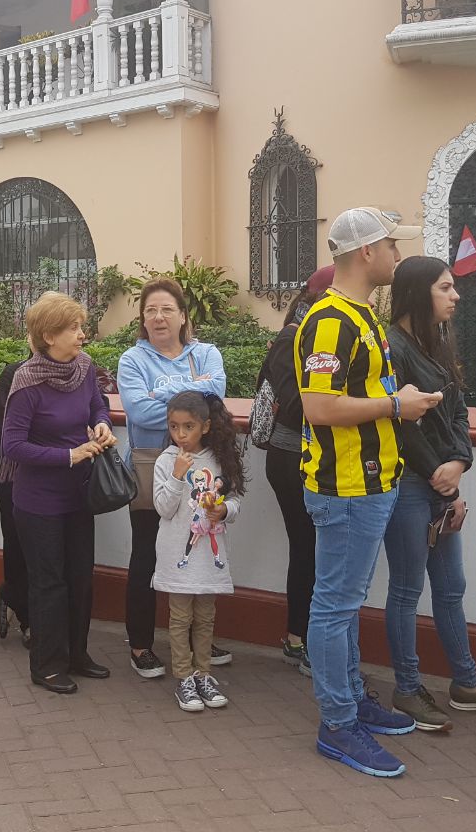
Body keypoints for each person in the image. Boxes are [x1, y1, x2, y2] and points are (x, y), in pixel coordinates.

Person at [295, 206, 442, 779]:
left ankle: (351, 702)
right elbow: (319, 407)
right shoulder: (330, 320)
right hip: (346, 486)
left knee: (343, 602)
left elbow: (354, 395)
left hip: (370, 483)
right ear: (366, 254)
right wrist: (395, 404)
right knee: (334, 606)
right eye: (391, 246)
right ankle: (337, 724)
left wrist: (395, 396)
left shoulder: (360, 317)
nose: (397, 257)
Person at [384, 256, 476, 731]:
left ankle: (466, 684)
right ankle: (407, 689)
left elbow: (459, 412)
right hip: (408, 485)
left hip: (441, 486)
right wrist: (436, 472)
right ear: (418, 292)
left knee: (451, 589)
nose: (456, 295)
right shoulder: (393, 347)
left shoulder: (439, 343)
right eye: (446, 287)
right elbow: (399, 423)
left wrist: (459, 463)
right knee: (407, 590)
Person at [0, 292, 115, 694]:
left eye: (81, 327)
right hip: (38, 502)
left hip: (78, 495)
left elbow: (99, 407)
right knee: (49, 583)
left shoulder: (84, 369)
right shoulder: (27, 381)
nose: (83, 335)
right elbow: (12, 446)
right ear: (48, 335)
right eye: (74, 328)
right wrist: (68, 455)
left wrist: (102, 425)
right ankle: (47, 665)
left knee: (81, 578)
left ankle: (77, 655)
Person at [117, 278, 227, 679]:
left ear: (183, 316)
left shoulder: (207, 354)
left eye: (166, 309)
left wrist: (165, 396)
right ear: (142, 320)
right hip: (151, 468)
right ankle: (141, 643)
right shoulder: (133, 360)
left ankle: (199, 642)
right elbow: (140, 414)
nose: (158, 317)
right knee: (147, 553)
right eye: (150, 311)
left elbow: (214, 397)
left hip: (203, 471)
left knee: (199, 548)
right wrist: (190, 394)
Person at [259, 265, 334, 677]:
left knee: (316, 549)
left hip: (316, 457)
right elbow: (293, 404)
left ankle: (302, 637)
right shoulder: (292, 337)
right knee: (307, 547)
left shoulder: (319, 335)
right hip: (291, 459)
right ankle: (296, 639)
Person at [153, 391, 244, 712]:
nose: (181, 435)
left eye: (188, 427)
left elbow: (233, 501)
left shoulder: (219, 460)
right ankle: (184, 678)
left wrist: (223, 512)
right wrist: (178, 474)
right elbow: (162, 508)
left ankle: (203, 673)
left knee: (205, 618)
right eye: (174, 427)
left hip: (208, 559)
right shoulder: (166, 460)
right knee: (179, 619)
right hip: (176, 557)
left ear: (205, 426)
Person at [0, 354, 31, 647]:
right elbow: (5, 425)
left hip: (62, 476)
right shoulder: (14, 373)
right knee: (18, 545)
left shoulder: (81, 370)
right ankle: (25, 613)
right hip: (15, 473)